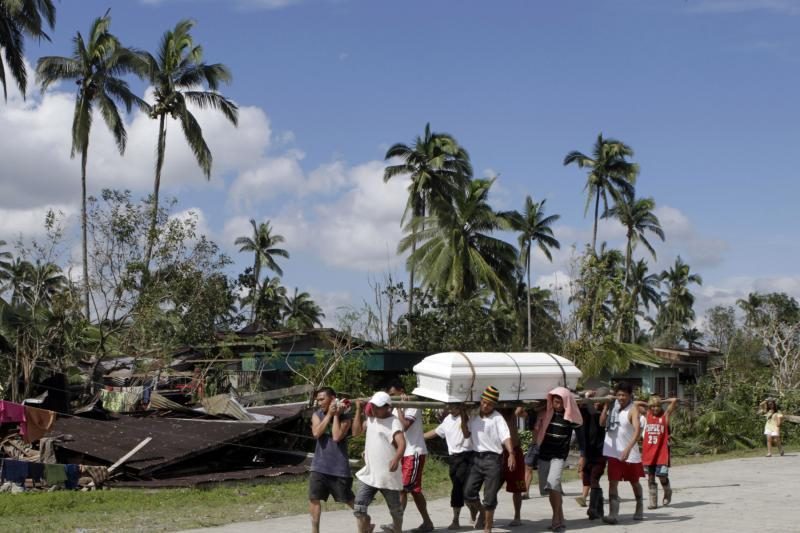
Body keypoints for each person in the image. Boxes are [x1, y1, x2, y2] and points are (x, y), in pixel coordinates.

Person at [351, 391, 406, 533]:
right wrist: (358, 409)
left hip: (387, 475)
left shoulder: (393, 422)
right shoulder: (370, 419)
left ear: (388, 407)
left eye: (379, 407)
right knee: (359, 508)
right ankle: (365, 529)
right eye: (373, 406)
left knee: (395, 510)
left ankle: (397, 529)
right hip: (370, 473)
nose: (375, 409)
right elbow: (356, 433)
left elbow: (402, 444)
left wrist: (396, 458)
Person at [464, 386, 515, 533]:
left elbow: (506, 436)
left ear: (495, 405)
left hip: (493, 460)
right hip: (476, 459)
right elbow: (466, 433)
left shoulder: (497, 418)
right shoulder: (473, 414)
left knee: (490, 497)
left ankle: (488, 528)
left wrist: (511, 453)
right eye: (484, 402)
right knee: (468, 493)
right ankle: (481, 512)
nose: (486, 406)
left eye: (490, 404)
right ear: (481, 400)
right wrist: (462, 415)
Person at [534, 386, 583, 533]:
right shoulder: (545, 414)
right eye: (555, 401)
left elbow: (581, 436)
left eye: (561, 402)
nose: (558, 405)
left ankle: (555, 518)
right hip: (544, 455)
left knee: (553, 484)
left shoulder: (571, 417)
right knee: (550, 489)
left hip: (559, 457)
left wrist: (583, 455)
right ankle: (560, 518)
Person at [387, 381, 434, 532]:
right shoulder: (393, 409)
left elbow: (405, 425)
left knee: (403, 489)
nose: (392, 398)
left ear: (402, 392)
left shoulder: (413, 405)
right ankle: (427, 523)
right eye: (390, 396)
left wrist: (400, 408)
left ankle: (396, 524)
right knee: (414, 490)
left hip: (413, 452)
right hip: (403, 453)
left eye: (393, 395)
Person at [308, 387, 355, 533]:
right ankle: (315, 530)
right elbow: (316, 433)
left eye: (322, 399)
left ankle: (365, 520)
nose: (319, 402)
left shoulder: (346, 417)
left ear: (333, 398)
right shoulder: (317, 415)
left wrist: (336, 415)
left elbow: (336, 437)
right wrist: (329, 414)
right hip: (319, 465)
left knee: (348, 500)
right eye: (318, 400)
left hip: (338, 467)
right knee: (314, 498)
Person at [600, 381, 645, 524]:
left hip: (629, 453)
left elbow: (637, 431)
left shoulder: (633, 409)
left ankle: (639, 506)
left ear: (630, 395)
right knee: (612, 482)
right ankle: (613, 513)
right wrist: (606, 406)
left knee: (634, 482)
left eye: (624, 395)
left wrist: (627, 449)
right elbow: (602, 423)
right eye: (618, 394)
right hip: (613, 452)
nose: (621, 398)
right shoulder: (613, 407)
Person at [424, 404, 474, 530]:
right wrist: (419, 437)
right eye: (449, 407)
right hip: (453, 459)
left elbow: (467, 432)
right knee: (460, 489)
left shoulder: (469, 418)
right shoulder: (447, 420)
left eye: (454, 407)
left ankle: (457, 519)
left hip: (466, 456)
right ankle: (473, 511)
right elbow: (436, 432)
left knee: (459, 489)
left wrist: (464, 413)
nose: (451, 410)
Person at [576, 387, 609, 520]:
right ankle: (598, 509)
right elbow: (580, 402)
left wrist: (606, 405)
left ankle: (593, 509)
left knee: (594, 479)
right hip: (588, 452)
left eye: (599, 401)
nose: (596, 403)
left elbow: (602, 422)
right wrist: (587, 395)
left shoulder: (605, 412)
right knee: (587, 478)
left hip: (600, 453)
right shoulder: (586, 413)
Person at [640, 395, 678, 509]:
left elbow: (674, 400)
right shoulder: (647, 415)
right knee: (650, 478)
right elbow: (636, 404)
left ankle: (667, 491)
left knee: (662, 477)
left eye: (658, 406)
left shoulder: (665, 416)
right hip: (649, 453)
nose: (655, 409)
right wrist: (649, 403)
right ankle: (653, 501)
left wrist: (660, 401)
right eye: (653, 406)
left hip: (662, 453)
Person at [500, 407, 526, 527]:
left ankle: (517, 516)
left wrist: (518, 410)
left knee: (517, 488)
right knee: (491, 487)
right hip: (497, 453)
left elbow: (523, 412)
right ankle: (483, 515)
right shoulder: (493, 412)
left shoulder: (513, 410)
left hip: (514, 451)